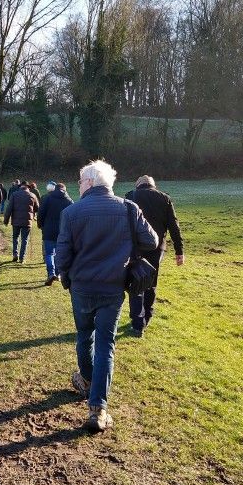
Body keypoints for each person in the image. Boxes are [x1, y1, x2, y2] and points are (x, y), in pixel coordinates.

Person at [56, 160, 158, 432]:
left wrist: (66, 278)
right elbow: (152, 241)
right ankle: (98, 408)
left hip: (81, 287)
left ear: (89, 182)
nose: (78, 186)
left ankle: (88, 381)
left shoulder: (71, 212)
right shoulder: (128, 209)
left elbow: (62, 256)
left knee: (83, 336)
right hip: (113, 288)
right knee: (105, 345)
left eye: (80, 181)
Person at [124, 175, 184, 336]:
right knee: (151, 280)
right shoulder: (165, 198)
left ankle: (137, 322)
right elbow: (174, 226)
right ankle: (147, 316)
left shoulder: (130, 196)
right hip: (157, 249)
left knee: (136, 282)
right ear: (153, 186)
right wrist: (179, 251)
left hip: (136, 248)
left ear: (138, 185)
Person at [37, 182, 73, 285]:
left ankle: (51, 273)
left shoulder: (48, 198)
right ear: (64, 190)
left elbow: (41, 213)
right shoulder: (69, 200)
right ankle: (58, 274)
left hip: (48, 230)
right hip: (63, 231)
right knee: (59, 254)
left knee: (49, 253)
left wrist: (40, 224)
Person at [3, 181, 39, 263]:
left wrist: (6, 220)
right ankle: (22, 258)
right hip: (27, 221)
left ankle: (15, 254)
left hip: (16, 221)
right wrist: (33, 213)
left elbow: (9, 209)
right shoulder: (32, 195)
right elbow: (37, 208)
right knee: (24, 239)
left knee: (15, 237)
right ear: (28, 187)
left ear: (20, 187)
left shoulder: (14, 195)